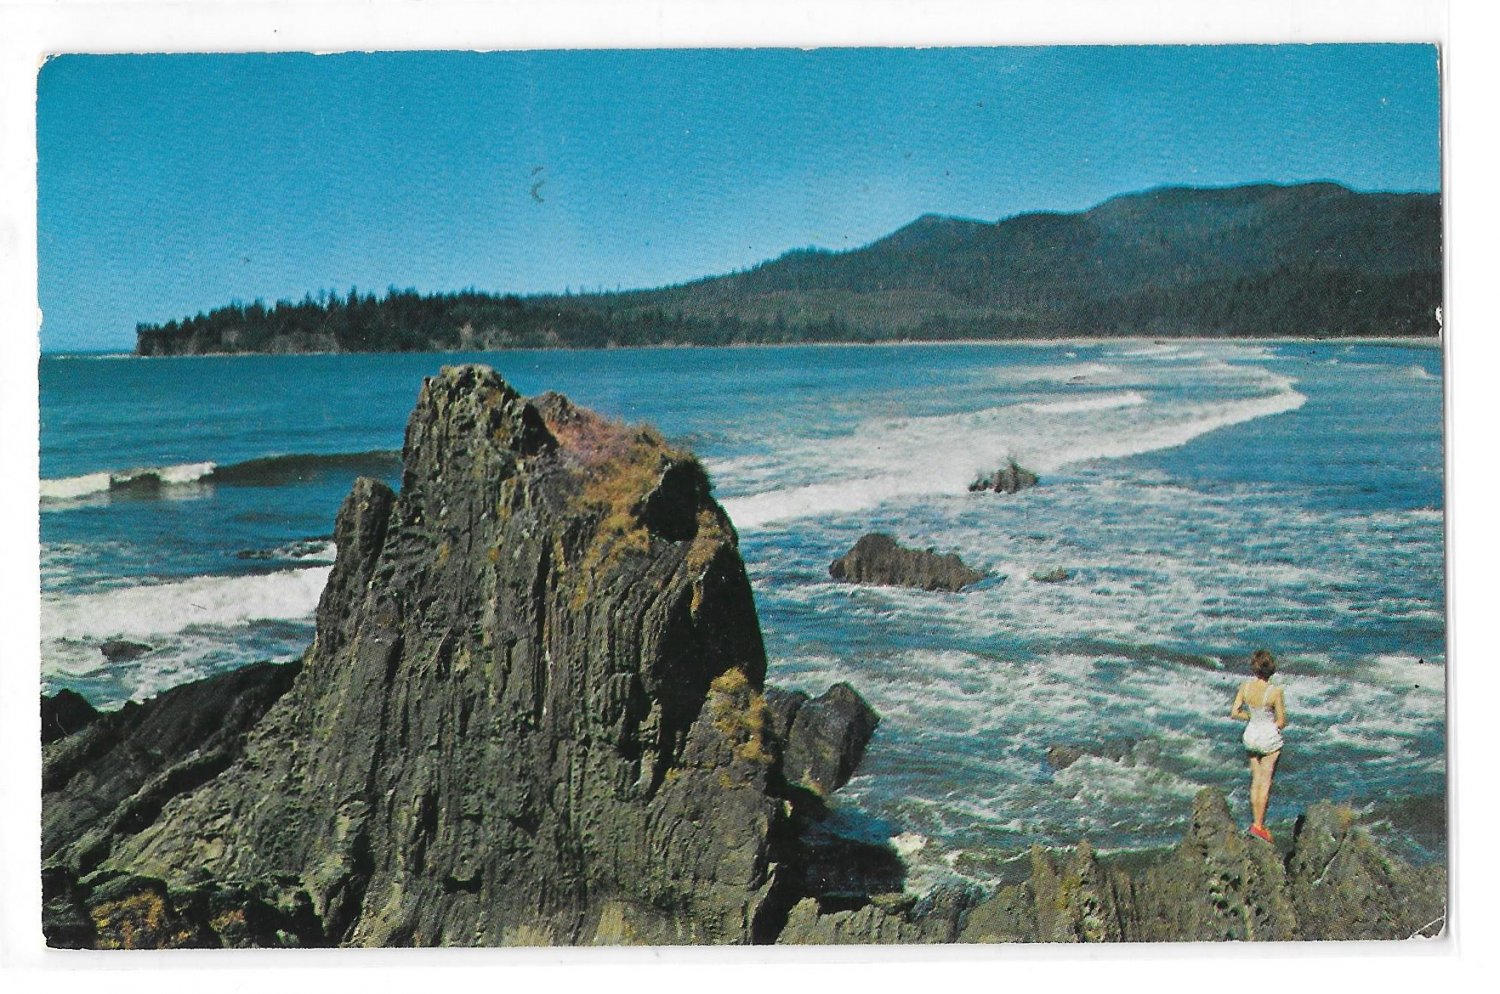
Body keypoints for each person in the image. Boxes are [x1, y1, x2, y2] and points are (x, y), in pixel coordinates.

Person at [1229, 648, 1287, 843]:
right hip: (1267, 737)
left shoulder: (1245, 687)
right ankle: (1259, 825)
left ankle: (1255, 822)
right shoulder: (1275, 692)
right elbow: (1281, 721)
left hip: (1251, 734)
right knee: (1266, 781)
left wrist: (1251, 717)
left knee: (1255, 780)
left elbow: (1235, 712)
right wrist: (1269, 723)